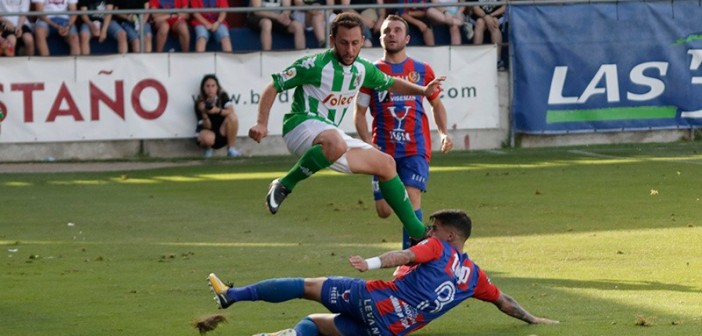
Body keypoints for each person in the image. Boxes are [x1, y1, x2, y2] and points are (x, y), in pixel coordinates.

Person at [248, 12, 446, 241]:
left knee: (386, 164)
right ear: (332, 40)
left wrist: (423, 91)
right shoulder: (314, 65)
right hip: (300, 125)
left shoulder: (362, 69)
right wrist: (262, 123)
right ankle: (284, 185)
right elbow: (274, 86)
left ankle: (417, 232)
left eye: (355, 43)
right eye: (343, 43)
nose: (350, 50)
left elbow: (392, 84)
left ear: (362, 41)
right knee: (336, 141)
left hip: (330, 138)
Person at [207, 209, 560, 336]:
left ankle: (231, 295)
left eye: (434, 227)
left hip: (376, 300)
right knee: (315, 324)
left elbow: (405, 253)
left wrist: (371, 263)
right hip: (392, 329)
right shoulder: (474, 276)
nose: (429, 231)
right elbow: (504, 302)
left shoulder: (438, 247)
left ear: (450, 236)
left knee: (306, 286)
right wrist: (534, 320)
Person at [355, 15, 453, 250]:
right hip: (383, 149)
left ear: (407, 38)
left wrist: (443, 133)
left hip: (415, 148)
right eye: (387, 31)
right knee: (384, 211)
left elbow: (436, 105)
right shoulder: (371, 72)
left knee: (411, 198)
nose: (392, 34)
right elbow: (359, 113)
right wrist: (368, 144)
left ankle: (410, 259)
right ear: (380, 38)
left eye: (397, 30)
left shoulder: (422, 71)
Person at [194, 74, 242, 158]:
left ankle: (231, 149)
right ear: (203, 88)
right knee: (207, 138)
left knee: (233, 117)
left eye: (213, 86)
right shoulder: (200, 102)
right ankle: (208, 149)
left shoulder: (223, 97)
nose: (210, 89)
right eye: (207, 86)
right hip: (208, 132)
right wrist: (204, 112)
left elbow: (231, 111)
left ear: (217, 87)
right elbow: (207, 126)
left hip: (222, 132)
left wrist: (217, 110)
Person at [470, 0, 506, 70]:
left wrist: (491, 16)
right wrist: (486, 17)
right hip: (479, 15)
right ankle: (475, 58)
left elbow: (504, 6)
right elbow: (475, 8)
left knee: (494, 24)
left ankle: (497, 60)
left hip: (495, 15)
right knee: (480, 23)